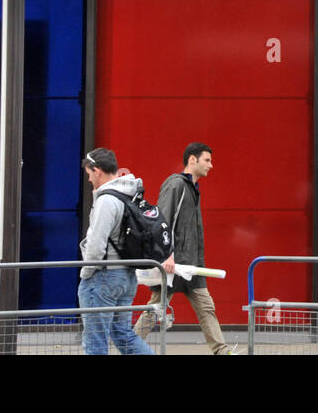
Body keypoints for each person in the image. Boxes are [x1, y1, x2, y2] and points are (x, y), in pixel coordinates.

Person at [134, 143, 233, 354]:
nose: (211, 165)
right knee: (154, 311)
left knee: (207, 308)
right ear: (192, 160)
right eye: (207, 160)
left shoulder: (192, 189)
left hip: (191, 265)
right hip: (174, 265)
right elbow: (162, 221)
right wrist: (167, 255)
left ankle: (223, 351)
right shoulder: (176, 185)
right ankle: (128, 346)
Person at [79, 147, 155, 355]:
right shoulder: (128, 195)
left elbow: (95, 245)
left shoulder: (106, 201)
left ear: (97, 170)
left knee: (95, 342)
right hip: (126, 277)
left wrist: (85, 275)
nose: (88, 180)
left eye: (88, 174)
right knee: (123, 334)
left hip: (103, 277)